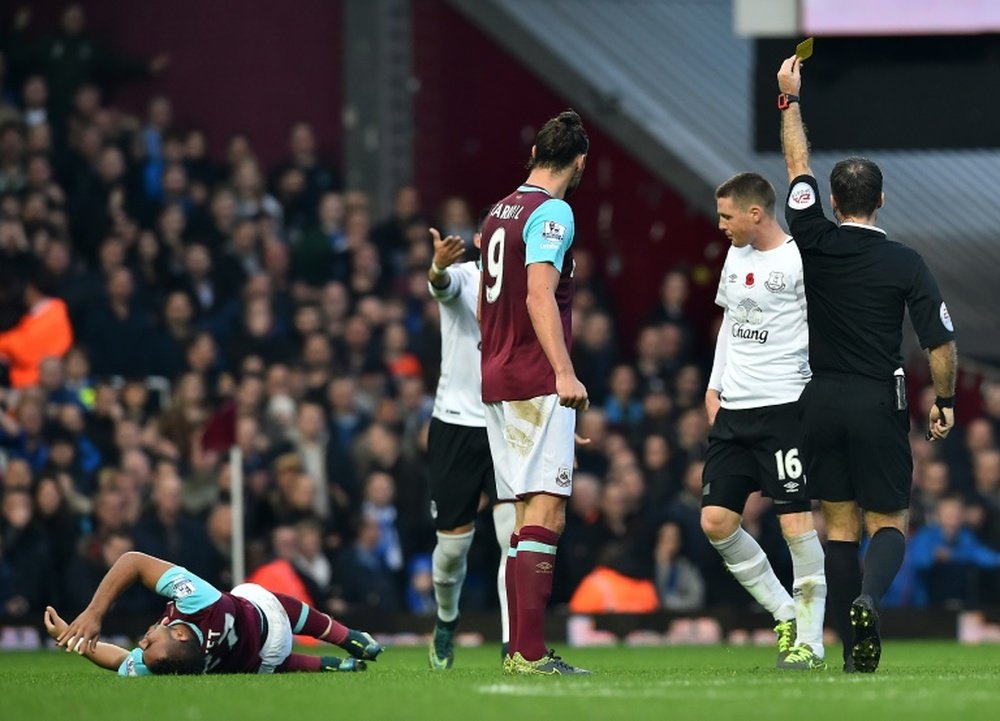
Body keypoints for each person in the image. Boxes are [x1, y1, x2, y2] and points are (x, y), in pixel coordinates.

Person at [778, 55, 958, 672]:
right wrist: (947, 400)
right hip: (879, 400)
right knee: (890, 520)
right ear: (882, 200)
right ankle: (868, 600)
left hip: (820, 399)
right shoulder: (905, 262)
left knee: (839, 527)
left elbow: (796, 163)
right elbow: (940, 340)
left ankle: (855, 652)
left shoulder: (814, 239)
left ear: (831, 199)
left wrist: (789, 100)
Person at [479, 109, 590, 675]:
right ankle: (527, 651)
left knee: (526, 511)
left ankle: (523, 649)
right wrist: (564, 374)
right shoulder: (554, 212)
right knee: (546, 507)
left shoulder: (499, 209)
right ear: (579, 162)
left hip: (497, 376)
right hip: (532, 374)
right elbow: (538, 296)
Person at [701, 172, 827, 669]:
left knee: (796, 526)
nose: (720, 225)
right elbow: (732, 326)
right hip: (734, 410)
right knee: (716, 522)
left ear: (756, 213)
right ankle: (785, 613)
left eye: (727, 216)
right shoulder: (736, 254)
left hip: (784, 410)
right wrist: (714, 388)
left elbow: (824, 329)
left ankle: (812, 643)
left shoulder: (799, 260)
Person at [47, 551, 383, 675]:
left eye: (143, 647)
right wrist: (95, 613)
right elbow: (133, 561)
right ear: (179, 633)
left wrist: (72, 638)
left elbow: (119, 660)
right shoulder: (202, 603)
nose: (143, 641)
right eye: (149, 644)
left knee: (279, 664)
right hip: (265, 621)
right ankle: (346, 637)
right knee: (265, 599)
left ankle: (335, 665)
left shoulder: (172, 664)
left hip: (262, 662)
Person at [425, 224, 515, 669]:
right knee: (454, 549)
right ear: (484, 241)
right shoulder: (464, 276)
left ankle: (511, 643)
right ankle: (446, 619)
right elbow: (440, 286)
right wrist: (438, 265)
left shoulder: (528, 286)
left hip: (508, 422)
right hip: (456, 425)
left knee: (512, 538)